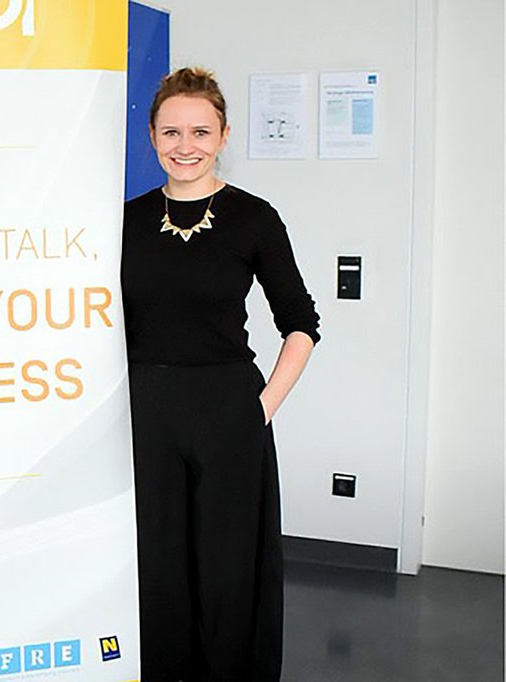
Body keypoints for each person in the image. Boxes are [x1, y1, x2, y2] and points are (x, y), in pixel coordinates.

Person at [122, 67, 320, 681]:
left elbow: (301, 324)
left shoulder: (253, 218)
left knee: (229, 563)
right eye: (172, 131)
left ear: (224, 134)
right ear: (151, 135)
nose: (186, 146)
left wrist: (262, 407)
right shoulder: (121, 221)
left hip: (228, 410)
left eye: (201, 131)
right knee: (155, 560)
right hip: (144, 412)